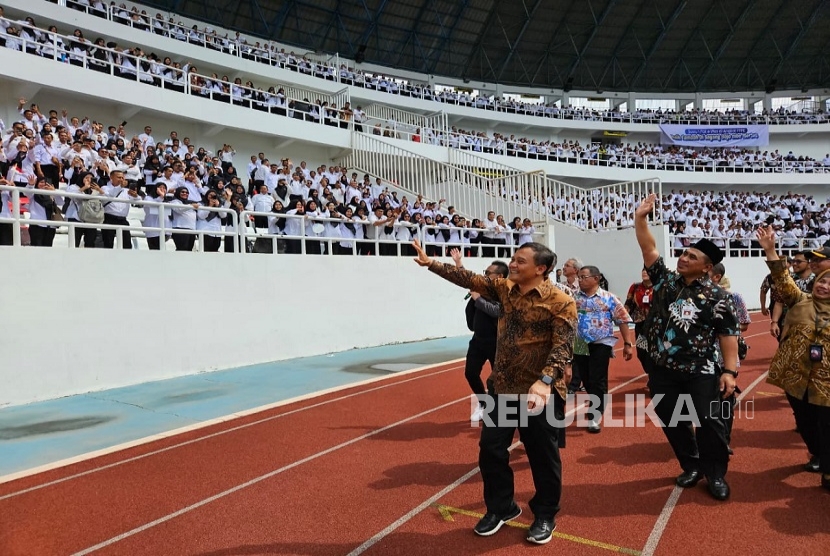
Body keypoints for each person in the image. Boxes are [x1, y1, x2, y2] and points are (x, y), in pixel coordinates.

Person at [412, 239, 576, 545]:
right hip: (502, 389)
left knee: (543, 457)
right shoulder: (505, 289)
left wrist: (544, 380)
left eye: (520, 261)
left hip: (539, 394)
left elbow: (562, 347)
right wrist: (432, 263)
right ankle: (502, 507)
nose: (512, 264)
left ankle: (544, 514)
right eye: (513, 259)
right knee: (490, 450)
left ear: (541, 269)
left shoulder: (560, 300)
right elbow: (470, 279)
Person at [634, 193, 739, 501]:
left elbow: (728, 334)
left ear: (707, 267)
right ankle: (691, 464)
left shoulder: (719, 297)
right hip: (663, 370)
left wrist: (730, 371)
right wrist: (641, 219)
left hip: (701, 371)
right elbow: (649, 247)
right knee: (672, 418)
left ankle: (715, 473)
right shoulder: (665, 281)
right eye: (684, 253)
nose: (683, 258)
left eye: (692, 257)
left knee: (710, 422)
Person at [758, 226, 830, 489]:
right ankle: (817, 453)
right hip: (796, 375)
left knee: (827, 424)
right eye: (822, 280)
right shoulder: (801, 300)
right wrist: (770, 250)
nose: (824, 285)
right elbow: (783, 281)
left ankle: (827, 467)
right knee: (805, 421)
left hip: (826, 379)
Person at [572, 265, 634, 433]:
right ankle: (595, 402)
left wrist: (628, 344)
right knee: (585, 378)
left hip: (601, 342)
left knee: (597, 378)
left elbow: (622, 320)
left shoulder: (609, 298)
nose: (581, 280)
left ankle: (595, 415)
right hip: (579, 343)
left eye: (584, 277)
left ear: (596, 278)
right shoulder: (573, 297)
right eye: (579, 277)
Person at [449, 248, 508, 421]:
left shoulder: (504, 293)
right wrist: (459, 263)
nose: (484, 275)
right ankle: (483, 403)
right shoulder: (481, 287)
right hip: (478, 341)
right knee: (470, 373)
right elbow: (467, 279)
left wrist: (478, 299)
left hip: (497, 342)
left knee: (500, 378)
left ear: (500, 276)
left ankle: (503, 411)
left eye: (488, 273)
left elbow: (497, 311)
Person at [707, 264, 751, 455]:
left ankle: (724, 439)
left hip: (726, 358)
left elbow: (745, 324)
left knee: (725, 400)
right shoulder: (694, 297)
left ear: (716, 277)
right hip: (701, 359)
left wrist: (724, 329)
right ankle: (708, 440)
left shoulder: (734, 298)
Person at [625, 269, 655, 390]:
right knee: (642, 352)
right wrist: (623, 313)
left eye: (647, 271)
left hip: (656, 326)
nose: (644, 273)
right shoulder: (635, 287)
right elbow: (628, 303)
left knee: (654, 352)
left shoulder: (659, 287)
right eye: (643, 270)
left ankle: (654, 378)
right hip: (641, 324)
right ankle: (650, 373)